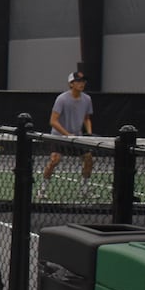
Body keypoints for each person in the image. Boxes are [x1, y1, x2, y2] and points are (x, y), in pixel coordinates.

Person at [39, 72, 95, 201]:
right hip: (59, 137)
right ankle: (42, 190)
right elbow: (53, 121)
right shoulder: (62, 99)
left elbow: (87, 118)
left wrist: (89, 133)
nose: (82, 84)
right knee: (54, 161)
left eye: (83, 81)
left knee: (89, 160)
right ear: (71, 84)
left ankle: (84, 190)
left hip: (77, 137)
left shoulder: (87, 99)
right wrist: (67, 135)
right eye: (78, 81)